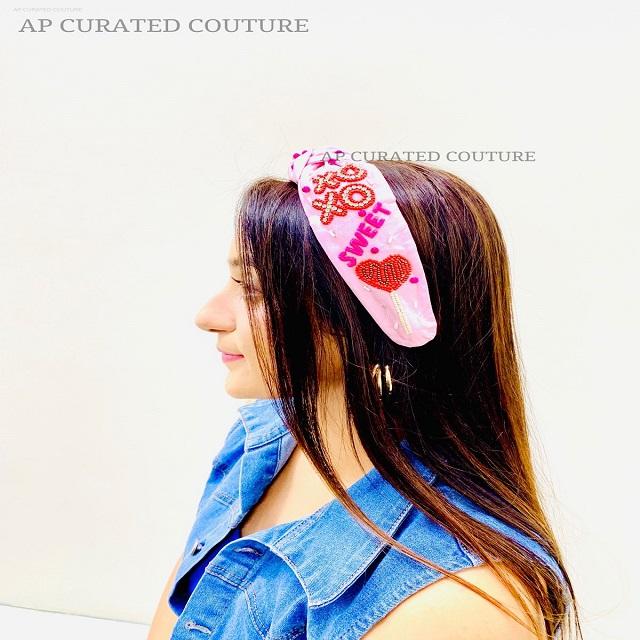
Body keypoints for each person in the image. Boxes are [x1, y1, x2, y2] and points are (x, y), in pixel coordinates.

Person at [148, 148, 580, 639]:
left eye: (253, 289)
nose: (208, 316)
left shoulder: (455, 606)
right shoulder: (261, 437)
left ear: (368, 321)